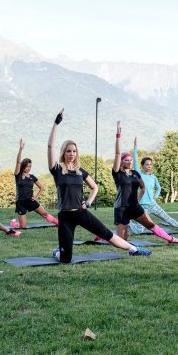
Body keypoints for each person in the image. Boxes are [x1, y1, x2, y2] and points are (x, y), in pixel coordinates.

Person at [47, 109, 151, 262]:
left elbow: (94, 187)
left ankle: (134, 249)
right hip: (65, 216)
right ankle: (57, 252)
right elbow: (50, 146)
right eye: (68, 151)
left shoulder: (80, 171)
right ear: (64, 152)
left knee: (107, 234)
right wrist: (56, 124)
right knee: (65, 259)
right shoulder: (57, 169)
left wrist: (88, 202)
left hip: (81, 212)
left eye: (74, 151)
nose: (72, 154)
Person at [114, 122, 178, 245]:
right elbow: (117, 153)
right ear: (121, 162)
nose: (129, 162)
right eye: (126, 160)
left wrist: (137, 199)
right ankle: (102, 236)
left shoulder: (135, 174)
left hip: (135, 207)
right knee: (122, 241)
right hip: (121, 209)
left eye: (130, 160)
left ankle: (172, 239)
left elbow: (143, 187)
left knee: (150, 224)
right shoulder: (117, 174)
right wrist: (118, 135)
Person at [127, 138, 178, 235]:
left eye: (150, 164)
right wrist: (135, 147)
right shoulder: (139, 175)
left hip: (153, 205)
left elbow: (159, 188)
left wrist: (156, 196)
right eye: (147, 164)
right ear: (142, 166)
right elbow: (135, 162)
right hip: (143, 207)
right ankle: (129, 223)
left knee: (167, 218)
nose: (149, 166)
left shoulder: (153, 177)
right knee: (139, 230)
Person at [11, 139, 59, 229]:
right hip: (21, 202)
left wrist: (36, 197)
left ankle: (59, 223)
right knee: (23, 227)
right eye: (26, 166)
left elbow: (41, 188)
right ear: (23, 166)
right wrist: (20, 149)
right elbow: (18, 162)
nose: (28, 168)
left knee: (45, 214)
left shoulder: (32, 177)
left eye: (30, 166)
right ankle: (14, 223)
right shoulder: (18, 175)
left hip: (31, 200)